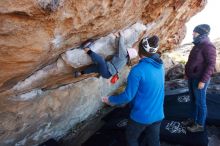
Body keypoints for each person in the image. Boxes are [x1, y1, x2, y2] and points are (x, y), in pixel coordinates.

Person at [102, 35, 165, 146]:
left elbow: (128, 96)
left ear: (140, 50)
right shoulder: (161, 66)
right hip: (158, 114)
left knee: (131, 139)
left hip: (140, 117)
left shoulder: (137, 70)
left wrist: (110, 99)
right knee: (154, 141)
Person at [182, 24, 216, 132]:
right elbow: (192, 62)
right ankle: (192, 119)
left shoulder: (208, 46)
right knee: (193, 100)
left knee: (200, 102)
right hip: (192, 78)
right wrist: (187, 73)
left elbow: (211, 65)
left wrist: (203, 80)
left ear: (201, 33)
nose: (192, 34)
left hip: (200, 79)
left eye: (194, 32)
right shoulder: (197, 45)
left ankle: (200, 125)